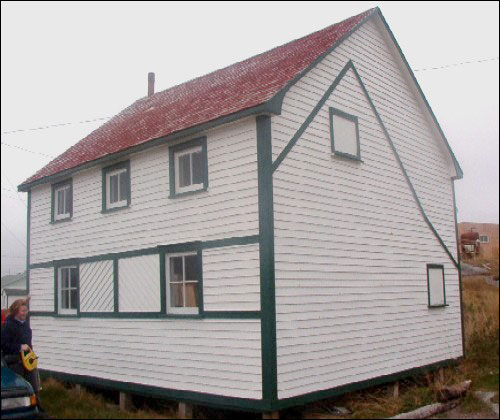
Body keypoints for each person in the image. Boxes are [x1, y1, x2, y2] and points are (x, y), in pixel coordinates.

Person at [1, 296, 40, 396]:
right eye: (22, 311)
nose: (25, 313)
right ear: (15, 311)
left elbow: (28, 344)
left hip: (28, 362)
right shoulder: (8, 325)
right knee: (19, 390)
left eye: (26, 310)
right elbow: (3, 345)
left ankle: (36, 409)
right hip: (14, 363)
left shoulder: (25, 324)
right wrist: (19, 347)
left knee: (34, 390)